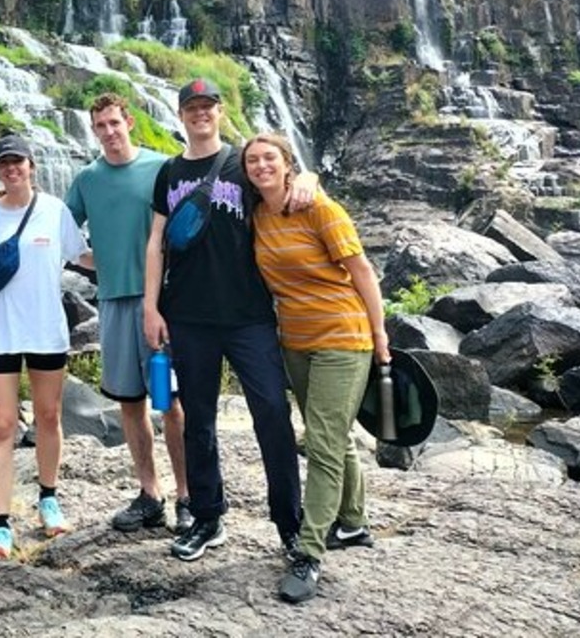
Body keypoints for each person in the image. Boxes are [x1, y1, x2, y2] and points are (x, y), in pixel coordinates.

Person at [143, 78, 315, 563]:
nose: (200, 114)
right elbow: (156, 241)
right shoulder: (169, 172)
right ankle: (207, 516)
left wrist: (309, 178)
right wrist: (150, 307)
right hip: (188, 315)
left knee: (273, 416)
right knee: (199, 420)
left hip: (249, 316)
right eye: (192, 107)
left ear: (219, 112)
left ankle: (290, 522)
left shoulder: (244, 164)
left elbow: (285, 189)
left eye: (208, 106)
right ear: (181, 116)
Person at [241, 133, 389, 604]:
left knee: (322, 441)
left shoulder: (320, 208)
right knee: (333, 434)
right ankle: (354, 522)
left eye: (270, 159)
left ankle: (308, 553)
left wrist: (381, 334)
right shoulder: (257, 213)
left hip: (344, 339)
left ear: (287, 164)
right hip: (297, 343)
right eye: (253, 161)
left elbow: (362, 270)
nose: (261, 166)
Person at [63, 92, 191, 533]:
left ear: (130, 122)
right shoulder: (87, 180)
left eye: (115, 123)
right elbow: (60, 232)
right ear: (93, 130)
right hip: (114, 303)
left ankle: (187, 496)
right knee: (130, 401)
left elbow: (190, 226)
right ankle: (149, 493)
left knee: (171, 402)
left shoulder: (161, 168)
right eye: (100, 126)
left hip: (164, 303)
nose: (109, 132)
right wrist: (98, 262)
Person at [0, 135, 92, 558]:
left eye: (18, 161)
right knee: (1, 426)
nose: (12, 168)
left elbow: (83, 257)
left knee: (49, 416)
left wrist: (137, 259)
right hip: (0, 333)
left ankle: (49, 498)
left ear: (32, 165)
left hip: (45, 332)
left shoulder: (55, 211)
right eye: (4, 163)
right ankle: (1, 525)